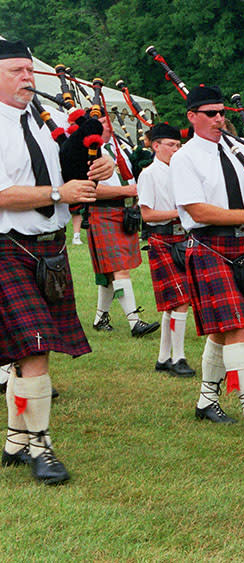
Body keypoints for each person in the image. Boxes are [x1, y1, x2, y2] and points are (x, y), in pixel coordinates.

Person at [0, 39, 114, 484]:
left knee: (25, 350)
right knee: (34, 345)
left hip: (51, 244)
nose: (27, 77)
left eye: (29, 70)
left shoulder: (44, 123)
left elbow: (70, 172)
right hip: (7, 245)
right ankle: (41, 446)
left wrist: (97, 165)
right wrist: (55, 194)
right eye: (16, 72)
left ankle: (15, 438)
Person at [170, 84, 244, 434]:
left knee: (223, 331)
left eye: (222, 113)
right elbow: (197, 209)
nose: (219, 119)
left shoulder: (233, 152)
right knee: (237, 326)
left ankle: (206, 400)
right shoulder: (184, 158)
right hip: (210, 245)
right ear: (192, 117)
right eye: (211, 114)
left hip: (242, 247)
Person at [88, 108, 159, 337]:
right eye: (101, 121)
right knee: (119, 268)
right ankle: (134, 322)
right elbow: (91, 190)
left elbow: (129, 175)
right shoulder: (89, 153)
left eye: (106, 121)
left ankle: (100, 318)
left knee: (110, 272)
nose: (107, 125)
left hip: (123, 213)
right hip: (103, 213)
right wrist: (127, 189)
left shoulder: (119, 149)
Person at [137, 122, 194, 377]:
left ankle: (163, 358)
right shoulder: (148, 174)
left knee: (175, 302)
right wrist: (180, 212)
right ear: (156, 145)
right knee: (181, 300)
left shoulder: (182, 172)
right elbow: (147, 215)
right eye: (170, 145)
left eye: (178, 145)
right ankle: (178, 357)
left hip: (182, 240)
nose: (175, 149)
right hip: (162, 239)